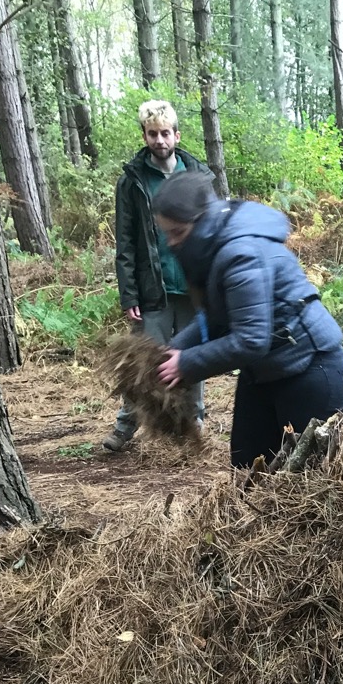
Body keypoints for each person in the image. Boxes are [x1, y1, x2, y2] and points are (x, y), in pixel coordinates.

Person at [152, 170, 343, 468]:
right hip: (264, 371)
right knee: (249, 470)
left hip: (310, 368)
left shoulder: (241, 253)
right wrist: (175, 349)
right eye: (166, 234)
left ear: (202, 221)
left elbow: (251, 339)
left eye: (178, 232)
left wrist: (186, 363)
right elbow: (215, 317)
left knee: (308, 479)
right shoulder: (214, 247)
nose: (171, 243)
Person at [104, 101, 211, 453]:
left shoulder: (197, 176)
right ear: (145, 137)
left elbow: (211, 231)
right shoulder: (132, 181)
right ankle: (126, 426)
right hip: (153, 289)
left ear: (176, 135)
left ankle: (194, 425)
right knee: (144, 361)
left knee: (193, 357)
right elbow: (125, 241)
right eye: (153, 134)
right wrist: (129, 293)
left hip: (192, 287)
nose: (159, 140)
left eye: (165, 133)